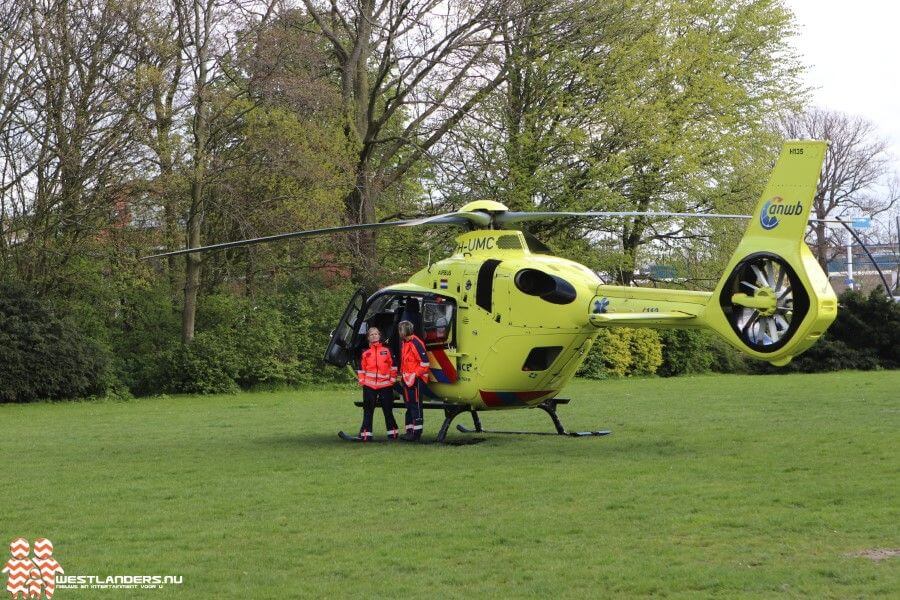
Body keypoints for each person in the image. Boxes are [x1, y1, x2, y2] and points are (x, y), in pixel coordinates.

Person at [355, 327, 400, 441]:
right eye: (372, 335)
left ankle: (393, 434)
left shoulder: (387, 350)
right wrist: (362, 381)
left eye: (376, 334)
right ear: (368, 338)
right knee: (368, 411)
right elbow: (361, 369)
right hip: (369, 386)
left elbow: (394, 366)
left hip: (385, 386)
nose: (374, 336)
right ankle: (366, 435)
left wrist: (392, 380)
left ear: (380, 336)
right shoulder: (365, 353)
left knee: (388, 411)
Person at [398, 320, 431, 441]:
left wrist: (415, 375)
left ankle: (416, 433)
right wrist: (402, 375)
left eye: (400, 330)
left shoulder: (415, 342)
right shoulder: (405, 343)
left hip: (416, 380)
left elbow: (425, 363)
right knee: (409, 405)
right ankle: (409, 431)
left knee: (415, 405)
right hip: (407, 378)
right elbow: (404, 362)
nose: (399, 332)